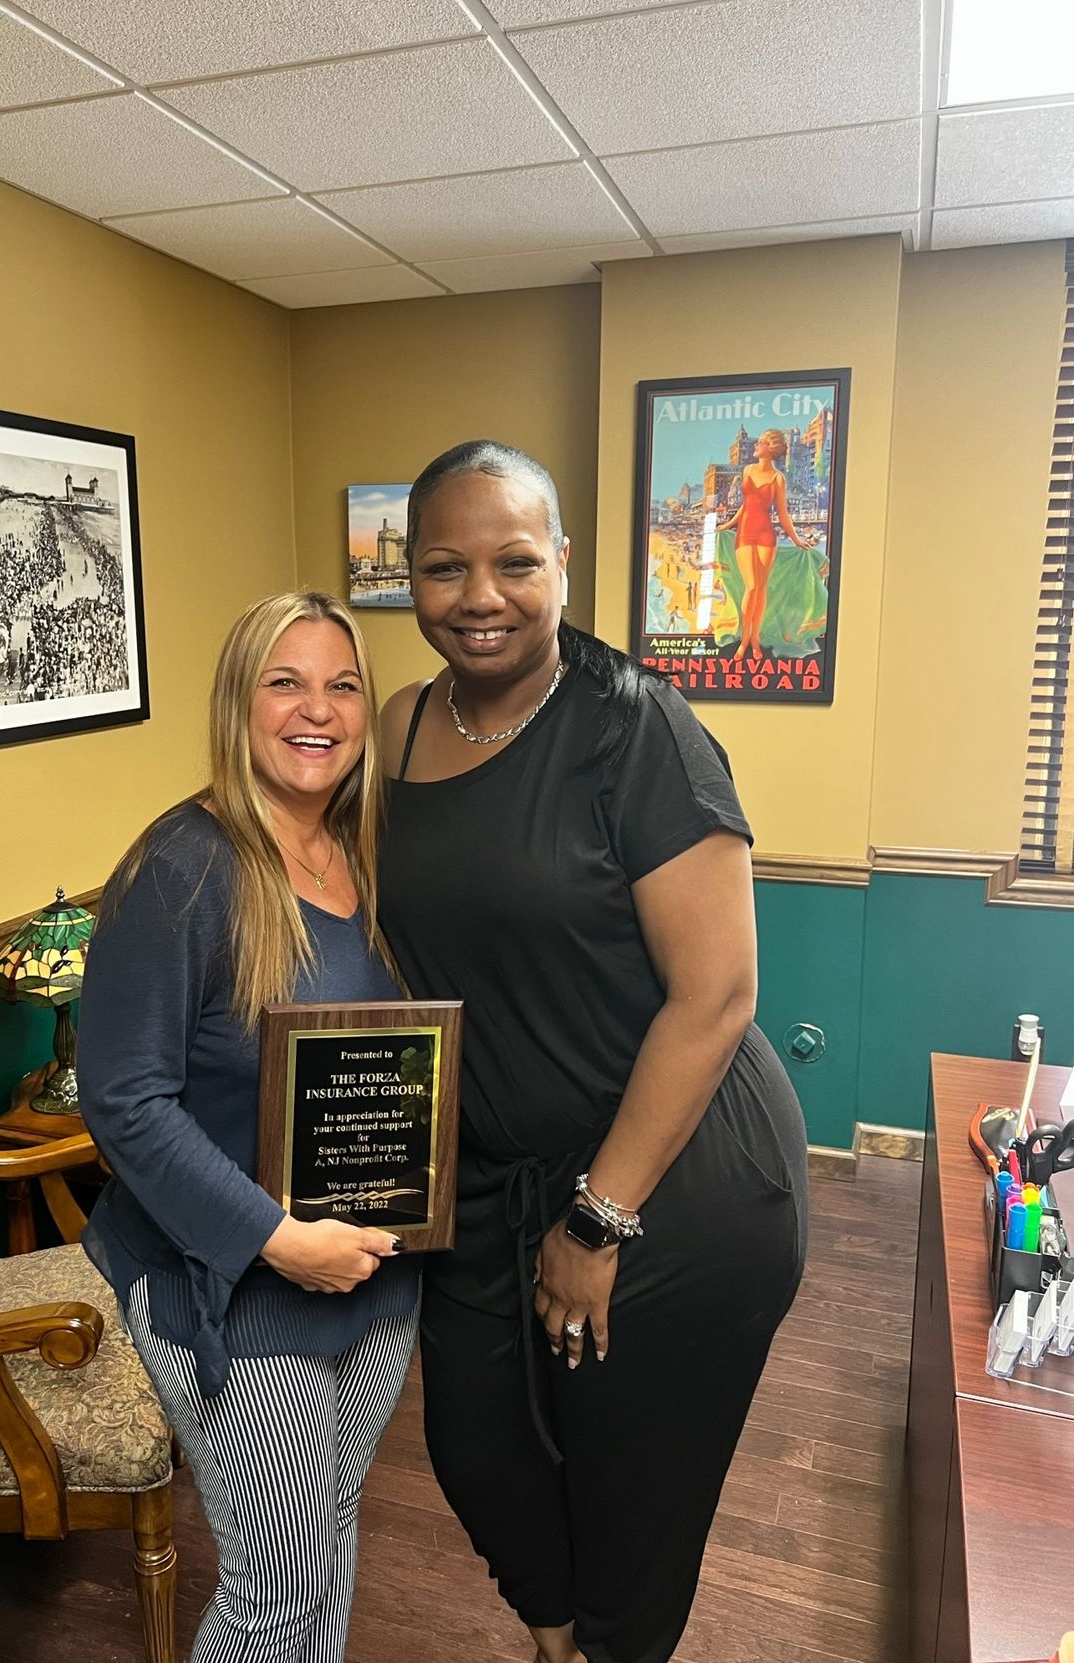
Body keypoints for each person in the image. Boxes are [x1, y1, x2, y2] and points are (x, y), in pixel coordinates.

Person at [377, 442, 808, 1663]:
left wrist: (596, 1223)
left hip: (673, 1184)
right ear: (405, 576)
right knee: (480, 1453)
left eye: (515, 561)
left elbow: (718, 994)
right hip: (490, 1174)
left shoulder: (638, 731)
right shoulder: (402, 728)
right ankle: (559, 1644)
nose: (481, 595)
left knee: (631, 1498)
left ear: (564, 563)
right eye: (444, 566)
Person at [78, 590, 421, 1663]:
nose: (315, 709)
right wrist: (279, 1240)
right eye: (285, 681)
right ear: (239, 701)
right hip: (237, 1295)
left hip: (374, 1279)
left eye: (341, 684)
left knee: (325, 1540)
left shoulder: (370, 854)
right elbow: (124, 1100)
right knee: (273, 1589)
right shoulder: (183, 869)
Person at [716, 427, 818, 659]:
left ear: (770, 449)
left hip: (766, 536)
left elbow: (782, 514)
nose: (755, 445)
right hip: (745, 533)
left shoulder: (778, 478)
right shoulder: (747, 470)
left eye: (760, 442)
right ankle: (744, 640)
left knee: (760, 589)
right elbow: (745, 505)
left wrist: (796, 539)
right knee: (751, 586)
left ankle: (754, 639)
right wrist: (728, 524)